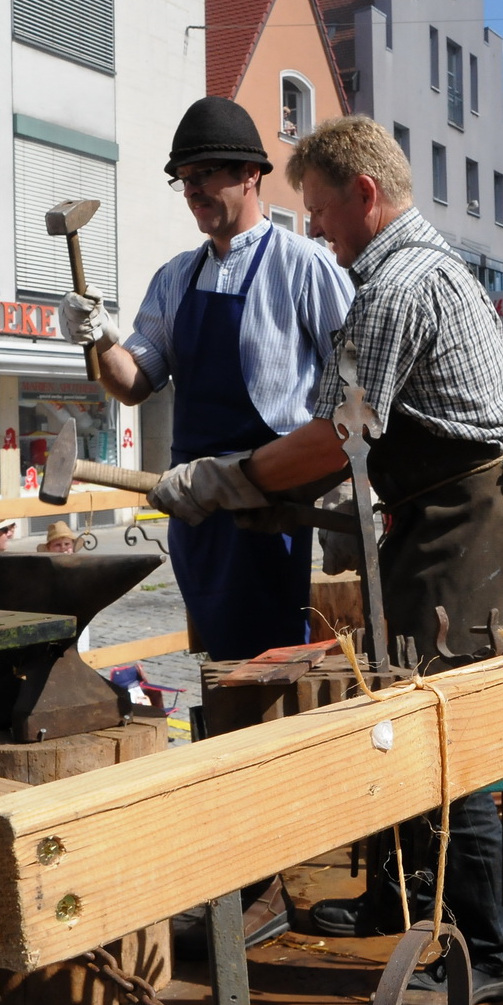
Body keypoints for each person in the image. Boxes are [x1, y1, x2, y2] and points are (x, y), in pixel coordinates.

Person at [147, 115, 503, 1004]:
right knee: (396, 697)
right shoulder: (408, 268)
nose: (312, 228)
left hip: (468, 513)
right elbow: (356, 444)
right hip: (434, 510)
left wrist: (225, 478)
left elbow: (334, 434)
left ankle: (488, 947)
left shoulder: (396, 285)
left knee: (445, 720)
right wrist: (263, 487)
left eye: (319, 210)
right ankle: (398, 896)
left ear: (364, 194)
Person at [59, 96, 353, 666]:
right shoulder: (175, 276)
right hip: (193, 500)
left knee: (271, 664)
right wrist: (97, 334)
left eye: (204, 175)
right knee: (216, 662)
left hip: (270, 504)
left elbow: (358, 389)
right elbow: (134, 383)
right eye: (183, 179)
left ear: (250, 175)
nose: (191, 190)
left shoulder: (305, 266)